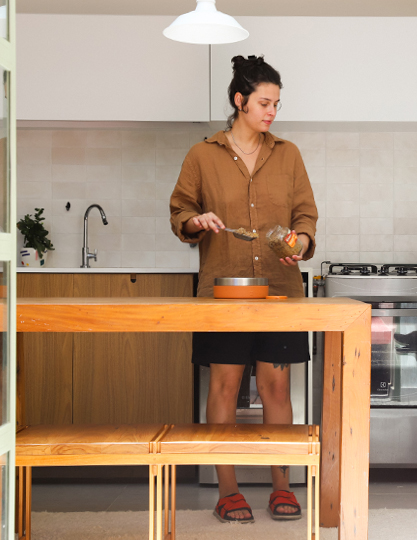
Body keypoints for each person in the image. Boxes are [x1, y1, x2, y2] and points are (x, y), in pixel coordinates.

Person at [169, 55, 318, 525]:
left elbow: (305, 216)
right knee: (226, 384)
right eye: (264, 102)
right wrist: (197, 220)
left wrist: (303, 242)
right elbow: (180, 212)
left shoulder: (288, 153)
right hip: (223, 294)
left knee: (277, 384)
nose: (272, 111)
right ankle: (228, 490)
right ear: (240, 101)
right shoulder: (202, 155)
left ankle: (281, 485)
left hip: (279, 292)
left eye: (276, 103)